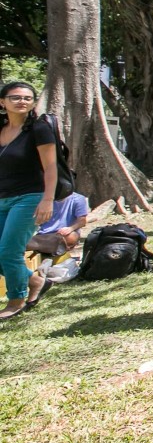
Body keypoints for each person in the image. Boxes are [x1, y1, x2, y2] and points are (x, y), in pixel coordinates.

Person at [0, 81, 57, 320]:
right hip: (3, 197)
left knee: (9, 251)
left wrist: (48, 200)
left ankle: (16, 300)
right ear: (2, 102)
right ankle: (35, 281)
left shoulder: (39, 128)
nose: (21, 101)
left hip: (30, 198)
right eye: (15, 97)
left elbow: (51, 167)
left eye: (27, 97)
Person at [27, 191, 90, 259]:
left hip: (63, 235)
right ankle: (43, 247)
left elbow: (82, 221)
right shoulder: (43, 198)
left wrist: (70, 228)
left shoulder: (78, 199)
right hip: (44, 235)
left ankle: (43, 247)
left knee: (72, 237)